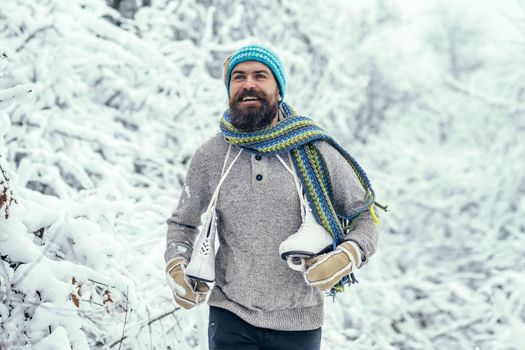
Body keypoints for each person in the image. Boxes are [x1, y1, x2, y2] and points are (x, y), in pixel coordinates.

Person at [164, 44, 380, 350]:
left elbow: (365, 215)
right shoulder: (211, 156)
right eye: (238, 77)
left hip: (299, 321)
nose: (248, 84)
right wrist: (176, 265)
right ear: (229, 91)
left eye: (260, 76)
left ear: (278, 91)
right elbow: (182, 224)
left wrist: (349, 255)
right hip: (230, 314)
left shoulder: (314, 150)